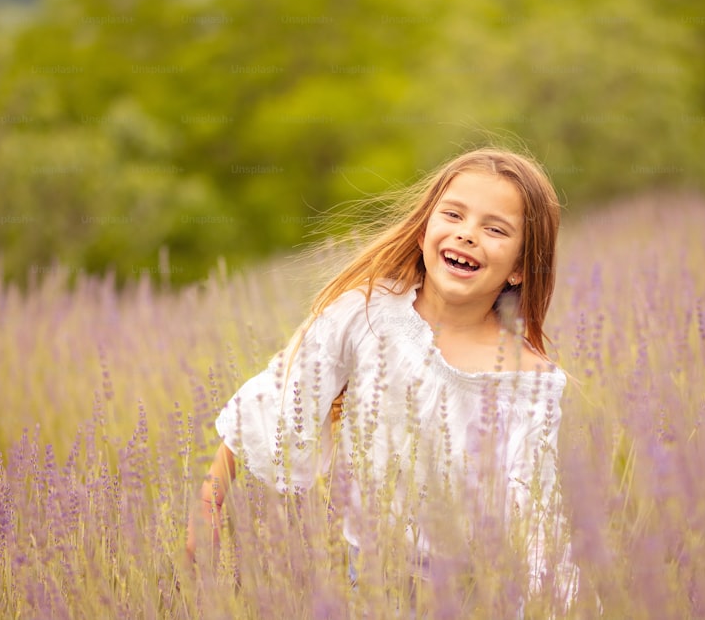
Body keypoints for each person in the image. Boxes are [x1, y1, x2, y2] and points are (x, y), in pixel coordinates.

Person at [187, 147, 571, 611]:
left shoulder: (528, 382)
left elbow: (536, 517)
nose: (467, 235)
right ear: (427, 226)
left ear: (519, 268)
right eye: (453, 214)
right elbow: (278, 398)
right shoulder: (368, 314)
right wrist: (209, 498)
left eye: (495, 229)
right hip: (373, 578)